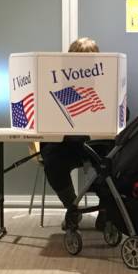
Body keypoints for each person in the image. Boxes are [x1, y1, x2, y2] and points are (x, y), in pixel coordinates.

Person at [40, 37, 102, 229]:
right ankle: (73, 208)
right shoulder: (59, 84)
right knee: (52, 162)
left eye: (90, 60)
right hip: (64, 145)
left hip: (98, 144)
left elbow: (124, 114)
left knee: (113, 162)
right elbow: (48, 116)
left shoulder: (106, 82)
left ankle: (108, 211)